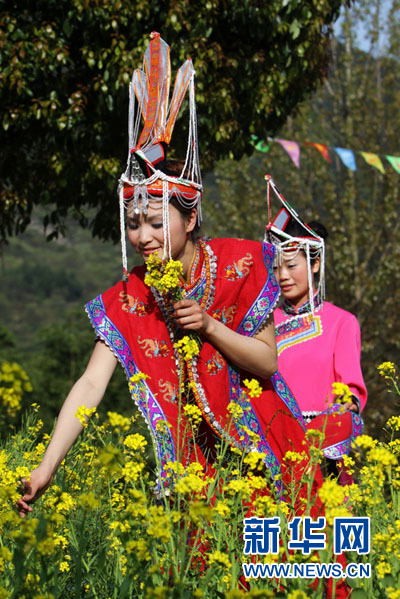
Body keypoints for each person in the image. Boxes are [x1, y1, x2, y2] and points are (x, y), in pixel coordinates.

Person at [17, 34, 314, 518]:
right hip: (193, 473)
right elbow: (91, 385)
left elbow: (266, 363)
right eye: (133, 224)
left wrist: (211, 326)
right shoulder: (131, 295)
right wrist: (45, 468)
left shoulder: (242, 264)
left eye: (156, 221)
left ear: (190, 218)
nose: (143, 236)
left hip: (267, 451)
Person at [264, 175, 367, 483]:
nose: (282, 275)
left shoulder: (341, 322)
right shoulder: (264, 322)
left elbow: (351, 389)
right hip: (275, 444)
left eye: (291, 266)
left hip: (324, 449)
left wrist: (344, 407)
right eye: (277, 267)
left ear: (315, 263)